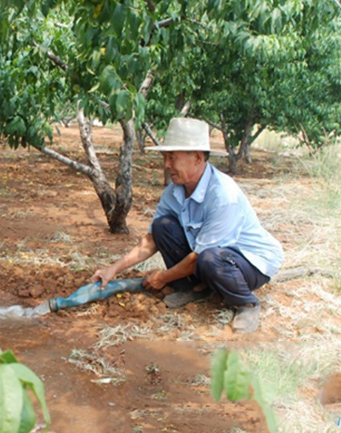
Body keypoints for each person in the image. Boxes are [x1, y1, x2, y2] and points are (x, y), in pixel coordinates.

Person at [91, 117, 283, 334]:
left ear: (198, 158)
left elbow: (199, 257)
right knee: (162, 226)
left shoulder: (223, 195)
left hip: (249, 262)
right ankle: (195, 289)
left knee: (211, 259)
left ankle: (246, 303)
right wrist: (113, 269)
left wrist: (163, 277)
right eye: (165, 157)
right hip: (210, 257)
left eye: (172, 158)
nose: (166, 165)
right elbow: (152, 239)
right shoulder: (174, 192)